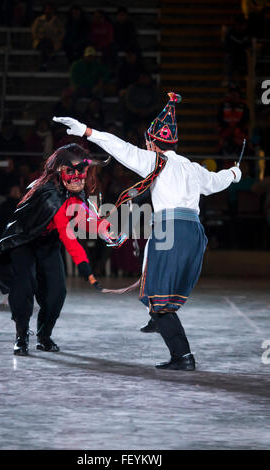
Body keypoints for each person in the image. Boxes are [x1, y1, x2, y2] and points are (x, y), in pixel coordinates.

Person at [53, 91, 242, 371]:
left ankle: (182, 355)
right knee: (153, 277)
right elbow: (218, 181)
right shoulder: (192, 168)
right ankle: (158, 317)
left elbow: (119, 147)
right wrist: (235, 173)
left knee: (159, 300)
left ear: (153, 143)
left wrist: (85, 130)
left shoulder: (156, 162)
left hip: (172, 229)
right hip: (194, 233)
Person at [0, 143, 116, 356]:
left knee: (57, 293)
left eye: (81, 170)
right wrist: (87, 271)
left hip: (48, 243)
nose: (77, 176)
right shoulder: (49, 194)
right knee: (24, 286)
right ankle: (21, 335)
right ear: (60, 170)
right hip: (24, 242)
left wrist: (107, 230)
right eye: (71, 171)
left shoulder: (74, 193)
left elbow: (85, 217)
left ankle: (44, 335)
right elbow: (69, 237)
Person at [31, 2, 64, 70]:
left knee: (46, 46)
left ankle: (43, 64)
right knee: (44, 43)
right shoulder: (39, 20)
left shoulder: (57, 21)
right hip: (40, 41)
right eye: (48, 9)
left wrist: (56, 39)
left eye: (51, 9)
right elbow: (34, 31)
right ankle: (50, 55)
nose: (49, 11)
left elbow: (62, 32)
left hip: (53, 43)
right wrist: (39, 38)